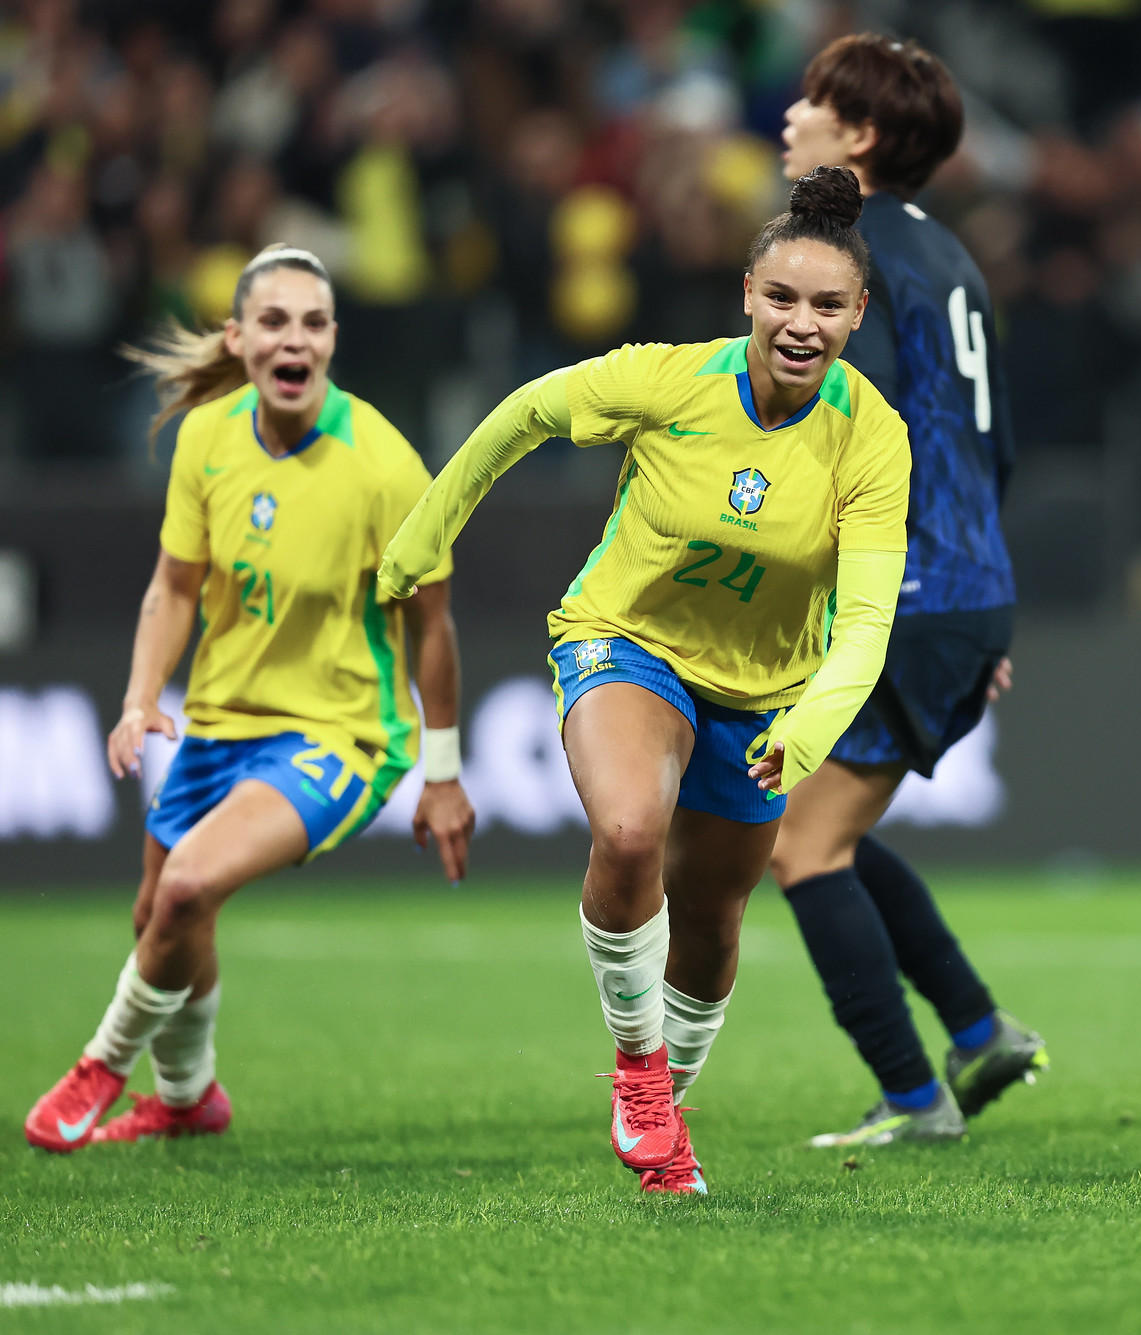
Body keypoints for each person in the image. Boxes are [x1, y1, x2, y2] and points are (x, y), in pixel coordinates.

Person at [376, 167, 910, 1196]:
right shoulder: (668, 381)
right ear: (747, 295)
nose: (801, 324)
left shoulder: (873, 437)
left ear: (857, 315)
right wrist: (427, 531)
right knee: (627, 833)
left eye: (827, 305)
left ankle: (667, 1103)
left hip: (762, 694)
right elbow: (524, 414)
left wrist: (810, 723)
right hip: (626, 641)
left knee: (710, 919)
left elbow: (867, 620)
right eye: (781, 297)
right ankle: (639, 1075)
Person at [24, 245, 474, 1154]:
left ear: (333, 338)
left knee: (188, 885)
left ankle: (103, 1063)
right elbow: (175, 585)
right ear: (237, 338)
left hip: (342, 732)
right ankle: (187, 1098)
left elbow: (433, 623)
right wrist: (139, 697)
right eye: (273, 321)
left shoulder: (385, 464)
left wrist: (442, 771)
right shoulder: (207, 437)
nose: (293, 339)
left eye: (312, 322)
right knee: (159, 917)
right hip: (221, 720)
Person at [775, 35, 1047, 1148]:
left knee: (800, 848)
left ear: (860, 134)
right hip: (963, 584)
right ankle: (977, 1031)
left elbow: (855, 421)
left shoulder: (847, 252)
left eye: (813, 102)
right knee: (823, 827)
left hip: (902, 588)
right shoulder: (952, 255)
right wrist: (978, 608)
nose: (790, 116)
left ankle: (911, 1096)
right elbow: (996, 445)